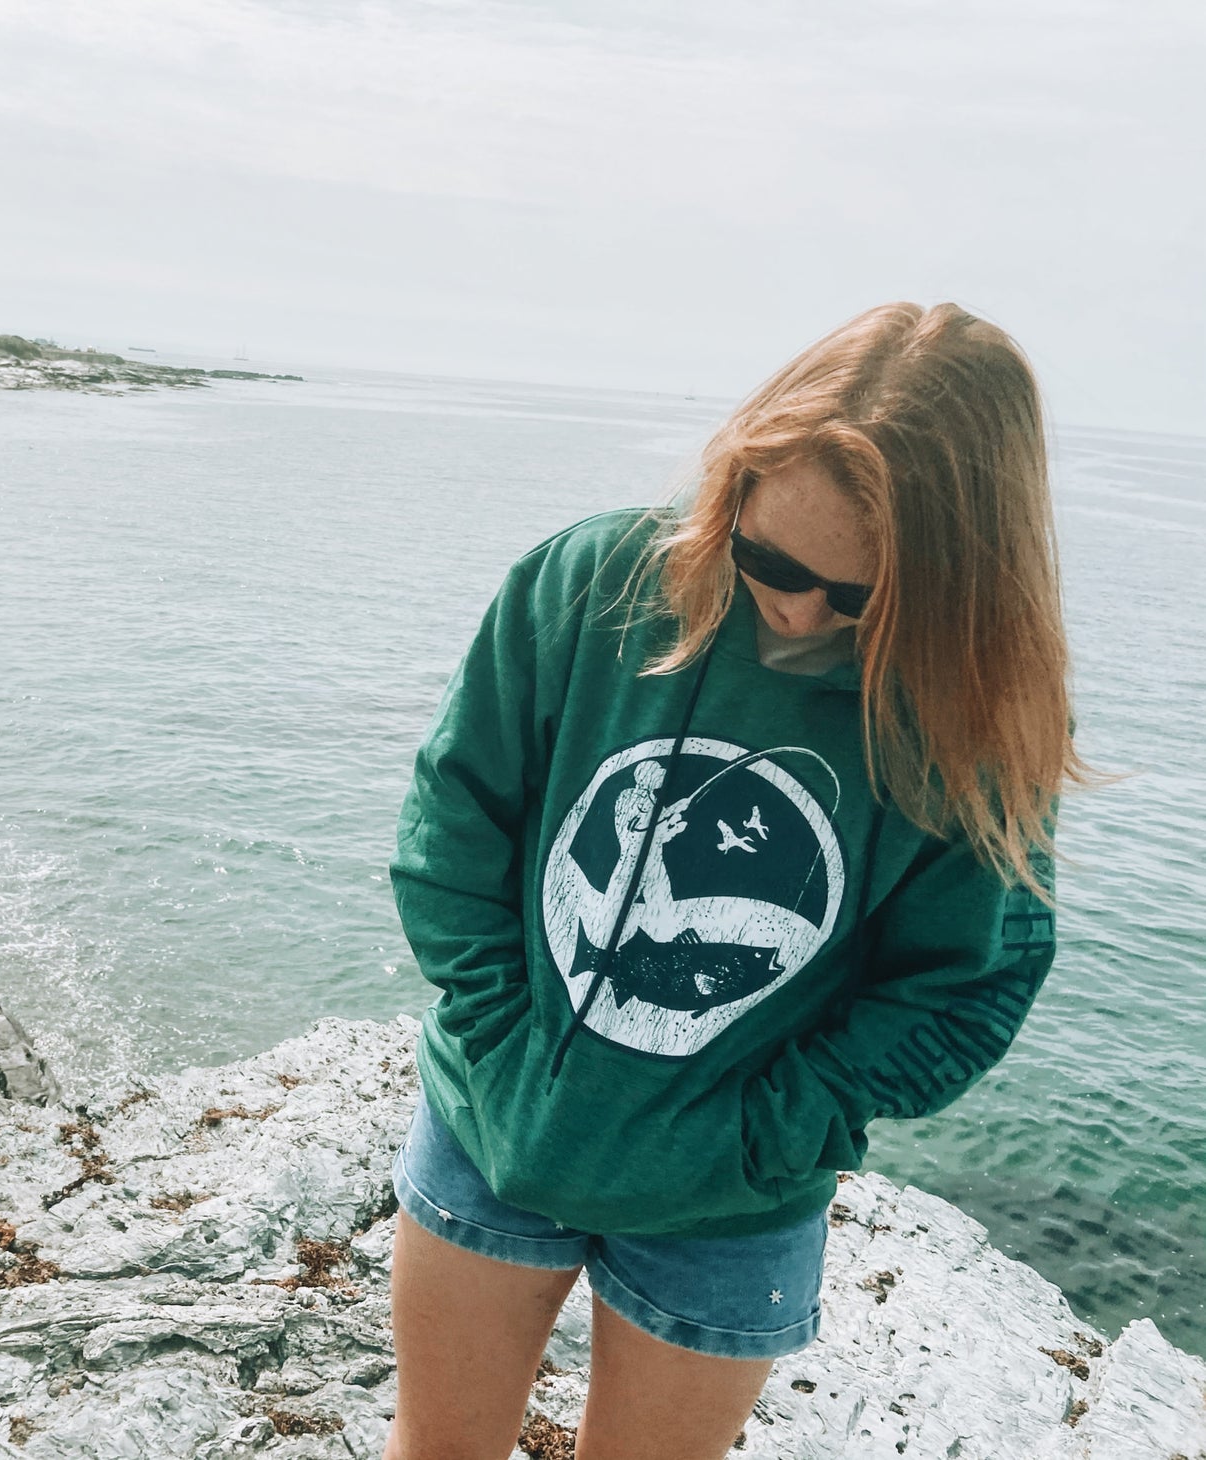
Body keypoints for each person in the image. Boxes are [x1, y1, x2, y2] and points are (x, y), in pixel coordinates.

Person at [384, 302, 1080, 1460]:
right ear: (736, 479)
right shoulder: (591, 581)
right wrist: (502, 1037)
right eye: (767, 559)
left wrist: (763, 1131)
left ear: (955, 576)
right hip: (485, 1128)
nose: (795, 610)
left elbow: (967, 983)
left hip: (726, 1204)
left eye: (858, 597)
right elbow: (453, 819)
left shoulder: (972, 716)